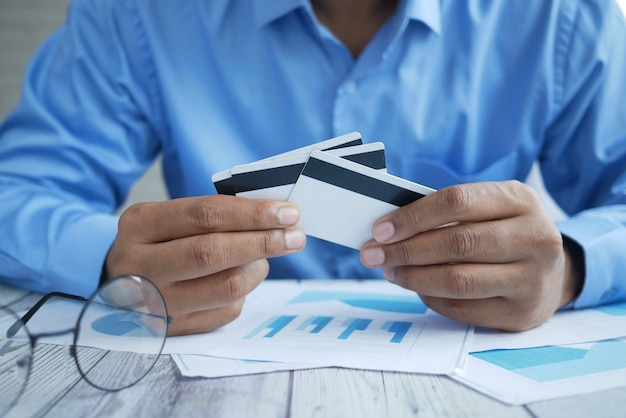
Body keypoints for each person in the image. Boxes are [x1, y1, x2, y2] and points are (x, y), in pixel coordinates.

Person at [0, 0, 625, 336]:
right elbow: (14, 193)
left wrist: (569, 265)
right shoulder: (135, 12)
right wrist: (113, 260)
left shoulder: (562, 13)